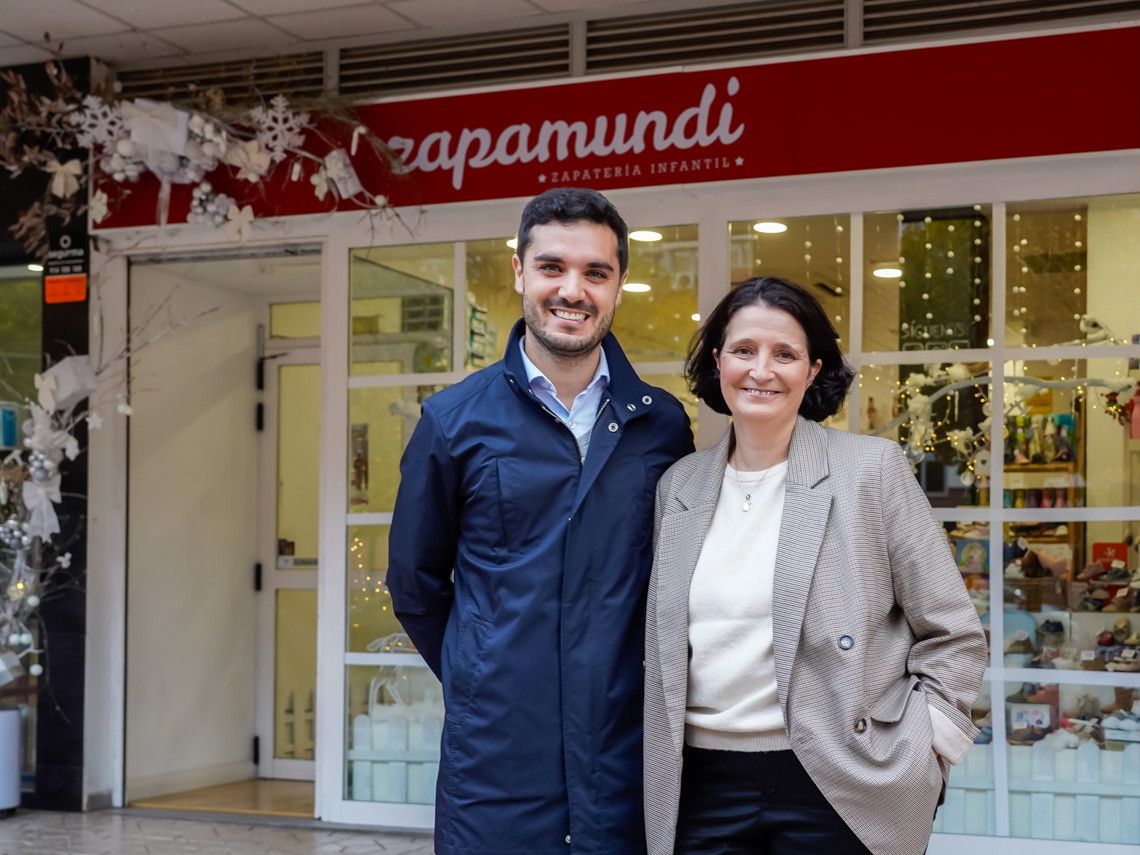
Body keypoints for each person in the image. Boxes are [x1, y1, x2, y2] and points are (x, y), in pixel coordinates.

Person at [388, 187, 695, 855]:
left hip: (624, 747)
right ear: (520, 273)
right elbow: (415, 583)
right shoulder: (453, 421)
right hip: (496, 755)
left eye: (595, 272)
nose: (572, 290)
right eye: (553, 266)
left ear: (618, 286)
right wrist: (486, 669)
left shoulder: (662, 424)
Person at [643, 277, 987, 855]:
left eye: (785, 354)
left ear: (812, 369)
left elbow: (953, 630)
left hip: (838, 778)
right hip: (697, 782)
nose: (761, 370)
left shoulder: (869, 470)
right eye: (744, 350)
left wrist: (928, 747)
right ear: (718, 361)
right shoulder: (679, 486)